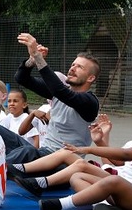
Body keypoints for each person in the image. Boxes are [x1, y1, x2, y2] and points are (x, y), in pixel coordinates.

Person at [8, 33, 100, 164]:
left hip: (63, 162)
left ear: (91, 78)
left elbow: (62, 93)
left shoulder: (90, 102)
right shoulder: (60, 93)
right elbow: (22, 78)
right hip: (43, 153)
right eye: (73, 64)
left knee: (28, 152)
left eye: (80, 67)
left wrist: (39, 57)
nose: (73, 68)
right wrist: (32, 60)